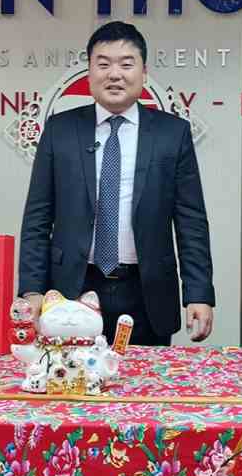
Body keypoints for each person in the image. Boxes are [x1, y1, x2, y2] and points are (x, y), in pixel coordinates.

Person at [18, 21, 215, 345]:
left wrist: (199, 293)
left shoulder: (172, 133)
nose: (114, 74)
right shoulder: (60, 130)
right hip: (71, 290)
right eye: (103, 64)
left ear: (144, 72)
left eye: (126, 64)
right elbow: (37, 217)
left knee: (146, 376)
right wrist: (32, 290)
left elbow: (191, 221)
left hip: (146, 292)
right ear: (89, 72)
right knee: (70, 376)